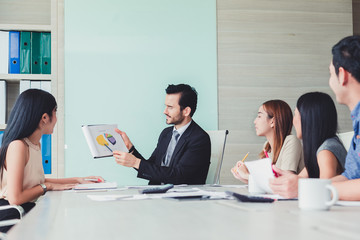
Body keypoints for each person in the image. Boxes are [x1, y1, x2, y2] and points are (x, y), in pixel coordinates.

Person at [270, 36, 360, 200]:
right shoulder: (357, 122)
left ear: (342, 75)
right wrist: (300, 185)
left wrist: (309, 189)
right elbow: (350, 177)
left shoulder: (327, 147)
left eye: (330, 74)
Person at [0, 89, 103, 233]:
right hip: (10, 218)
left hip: (23, 214)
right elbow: (15, 198)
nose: (56, 119)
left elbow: (36, 182)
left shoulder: (35, 145)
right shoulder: (18, 146)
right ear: (44, 117)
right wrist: (47, 187)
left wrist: (78, 180)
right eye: (55, 112)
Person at [113, 84, 211, 185]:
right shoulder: (166, 133)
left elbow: (179, 176)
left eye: (170, 107)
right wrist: (131, 149)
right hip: (158, 194)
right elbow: (152, 167)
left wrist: (135, 162)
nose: (164, 111)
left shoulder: (199, 139)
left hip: (182, 197)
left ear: (186, 111)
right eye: (165, 106)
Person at [231, 100, 304, 183]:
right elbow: (267, 184)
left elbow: (285, 182)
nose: (255, 121)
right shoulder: (267, 146)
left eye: (259, 116)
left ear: (272, 121)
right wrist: (244, 176)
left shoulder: (291, 141)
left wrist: (247, 175)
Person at [293, 92, 346, 180]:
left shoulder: (325, 151)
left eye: (295, 114)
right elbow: (299, 178)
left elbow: (325, 191)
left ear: (308, 119)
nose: (293, 121)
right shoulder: (323, 146)